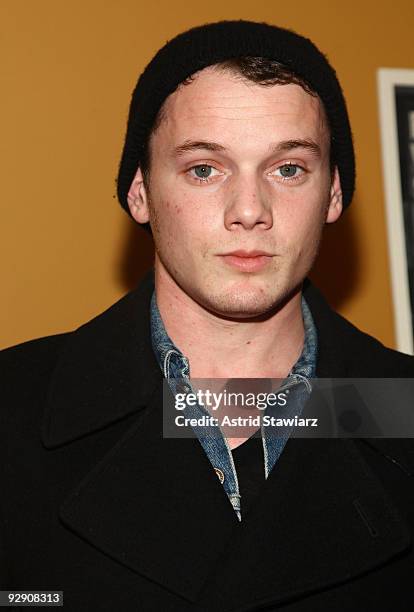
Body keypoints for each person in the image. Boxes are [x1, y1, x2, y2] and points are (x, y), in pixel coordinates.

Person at [1, 19, 414, 611]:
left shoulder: (401, 409)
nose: (250, 210)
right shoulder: (13, 407)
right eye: (204, 169)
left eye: (288, 168)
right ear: (139, 192)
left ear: (333, 195)